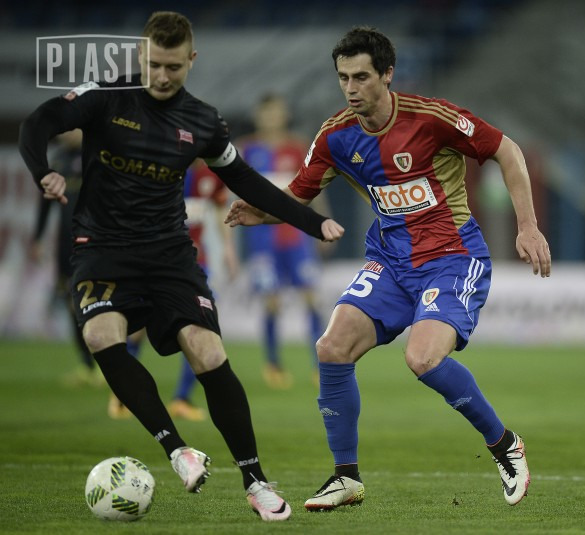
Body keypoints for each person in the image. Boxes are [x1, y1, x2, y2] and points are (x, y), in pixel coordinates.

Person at [18, 11, 343, 522]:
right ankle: (177, 449)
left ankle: (256, 482)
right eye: (153, 64)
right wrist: (42, 171)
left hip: (168, 253)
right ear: (140, 56)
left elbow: (246, 180)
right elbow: (37, 123)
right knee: (101, 335)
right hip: (102, 248)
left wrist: (311, 222)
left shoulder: (203, 121)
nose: (162, 76)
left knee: (208, 352)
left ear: (191, 60)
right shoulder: (106, 98)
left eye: (173, 66)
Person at [226, 26, 552, 511]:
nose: (351, 88)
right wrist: (262, 210)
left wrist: (527, 226)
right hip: (391, 261)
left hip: (452, 258)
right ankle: (346, 478)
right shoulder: (336, 135)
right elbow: (298, 194)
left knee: (422, 358)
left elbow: (507, 150)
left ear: (387, 74)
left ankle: (504, 444)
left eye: (361, 77)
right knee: (331, 347)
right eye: (343, 78)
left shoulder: (432, 118)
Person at [108, 160, 240, 421]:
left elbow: (218, 209)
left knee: (201, 326)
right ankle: (122, 396)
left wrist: (228, 248)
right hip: (156, 259)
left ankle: (181, 398)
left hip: (194, 263)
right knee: (138, 329)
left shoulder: (211, 174)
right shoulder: (159, 164)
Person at [237, 94, 328, 389]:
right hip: (263, 239)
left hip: (297, 236)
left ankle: (320, 366)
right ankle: (273, 365)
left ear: (285, 115)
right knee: (272, 302)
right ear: (258, 116)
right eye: (267, 112)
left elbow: (315, 189)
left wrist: (321, 223)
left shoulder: (298, 146)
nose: (272, 118)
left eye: (277, 112)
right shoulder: (245, 149)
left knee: (311, 298)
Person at [28, 129, 103, 388]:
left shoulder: (97, 155)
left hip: (95, 241)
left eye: (72, 127)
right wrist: (38, 237)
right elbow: (45, 203)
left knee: (98, 302)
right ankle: (87, 365)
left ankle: (107, 363)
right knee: (73, 303)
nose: (66, 132)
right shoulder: (58, 160)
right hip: (65, 244)